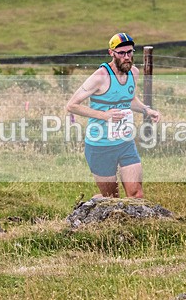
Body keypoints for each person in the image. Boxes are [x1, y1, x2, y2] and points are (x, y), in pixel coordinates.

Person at [66, 33, 161, 199]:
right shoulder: (100, 76)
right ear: (111, 53)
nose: (127, 57)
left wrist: (146, 110)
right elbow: (72, 105)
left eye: (130, 52)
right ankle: (94, 204)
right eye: (121, 53)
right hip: (99, 146)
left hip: (125, 143)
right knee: (111, 200)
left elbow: (129, 99)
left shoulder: (134, 73)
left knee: (136, 195)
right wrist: (105, 115)